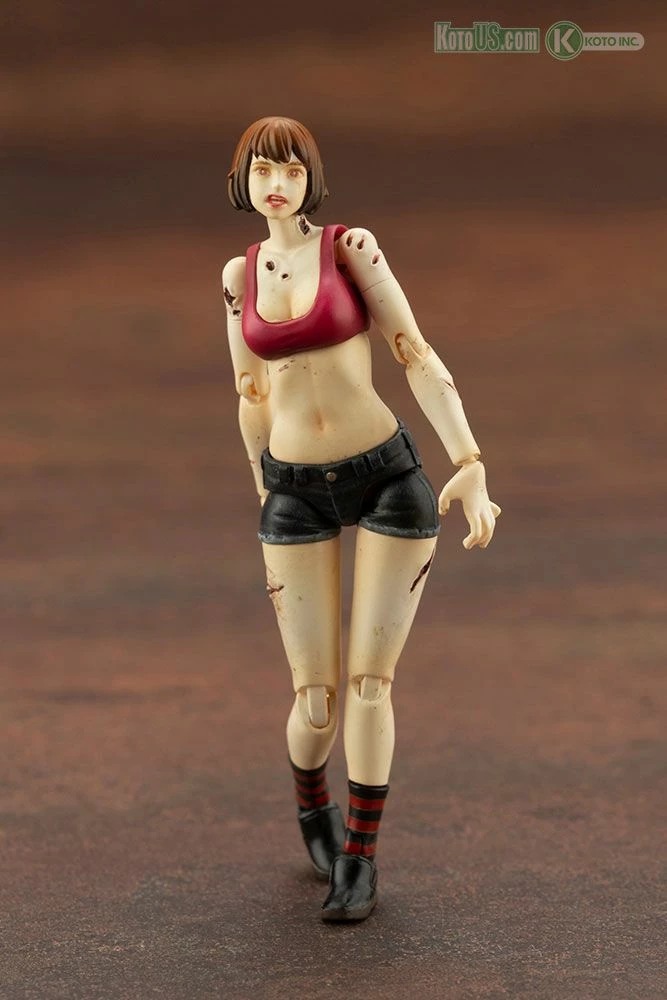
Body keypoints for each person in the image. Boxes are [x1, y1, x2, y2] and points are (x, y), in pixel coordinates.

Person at [222, 116, 500, 921]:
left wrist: (468, 461)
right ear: (242, 182)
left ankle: (360, 857)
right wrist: (262, 487)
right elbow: (249, 392)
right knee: (315, 698)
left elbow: (413, 349)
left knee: (370, 683)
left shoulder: (349, 249)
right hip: (293, 487)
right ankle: (313, 802)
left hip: (384, 476)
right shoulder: (238, 276)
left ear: (312, 179)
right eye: (262, 170)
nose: (277, 184)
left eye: (291, 170)